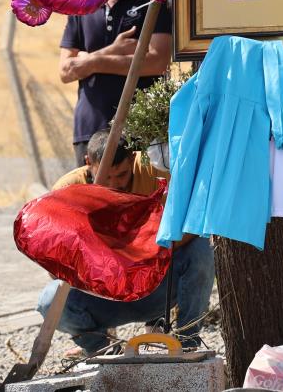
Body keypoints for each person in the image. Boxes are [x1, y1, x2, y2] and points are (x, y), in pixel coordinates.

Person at [37, 129, 215, 356]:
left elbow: (195, 222)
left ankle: (187, 344)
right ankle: (102, 349)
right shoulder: (66, 190)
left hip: (156, 287)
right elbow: (54, 265)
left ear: (133, 158)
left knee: (201, 249)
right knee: (49, 301)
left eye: (121, 175)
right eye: (105, 176)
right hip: (103, 297)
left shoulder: (155, 169)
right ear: (87, 162)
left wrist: (149, 255)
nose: (114, 184)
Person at [59, 0, 173, 166]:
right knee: (90, 196)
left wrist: (90, 61)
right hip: (89, 129)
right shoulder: (82, 2)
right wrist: (114, 51)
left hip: (139, 128)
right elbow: (65, 71)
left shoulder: (151, 0)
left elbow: (157, 62)